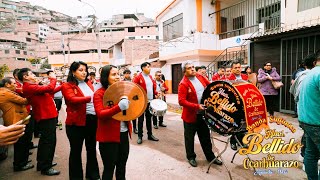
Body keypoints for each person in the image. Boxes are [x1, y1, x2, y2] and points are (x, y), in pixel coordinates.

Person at [178, 61, 222, 167]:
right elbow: (181, 101)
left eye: (193, 67)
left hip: (203, 114)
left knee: (205, 137)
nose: (192, 69)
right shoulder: (183, 84)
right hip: (190, 117)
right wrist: (197, 106)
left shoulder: (200, 77)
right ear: (184, 71)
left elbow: (210, 86)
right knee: (189, 138)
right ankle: (191, 157)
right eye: (189, 68)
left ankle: (210, 156)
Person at [61, 61, 100, 180]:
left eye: (85, 70)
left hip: (91, 121)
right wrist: (91, 97)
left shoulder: (89, 83)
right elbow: (72, 99)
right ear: (73, 72)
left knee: (91, 149)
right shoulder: (67, 85)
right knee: (76, 151)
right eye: (80, 70)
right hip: (76, 124)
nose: (84, 73)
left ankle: (92, 174)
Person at [18, 68, 60, 176]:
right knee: (48, 142)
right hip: (46, 116)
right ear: (25, 77)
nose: (34, 75)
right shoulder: (29, 87)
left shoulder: (31, 86)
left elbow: (49, 91)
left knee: (46, 141)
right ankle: (46, 167)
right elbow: (50, 87)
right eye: (31, 73)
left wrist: (60, 86)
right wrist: (52, 78)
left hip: (47, 115)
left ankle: (43, 164)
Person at [93, 65, 132, 180]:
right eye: (113, 74)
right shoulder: (99, 94)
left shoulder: (123, 91)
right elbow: (100, 114)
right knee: (109, 168)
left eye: (118, 74)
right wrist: (118, 107)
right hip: (108, 138)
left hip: (123, 134)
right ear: (105, 77)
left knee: (122, 166)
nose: (117, 77)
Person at [0, 77, 32, 171]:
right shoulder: (6, 93)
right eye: (13, 83)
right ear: (7, 84)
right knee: (20, 145)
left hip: (16, 119)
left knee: (21, 144)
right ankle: (19, 165)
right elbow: (24, 101)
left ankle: (22, 162)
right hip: (15, 120)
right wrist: (31, 94)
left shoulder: (5, 92)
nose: (15, 85)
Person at [297, 51, 320, 180]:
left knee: (311, 154)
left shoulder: (308, 73)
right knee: (311, 154)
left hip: (307, 120)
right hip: (317, 122)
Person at [133, 62, 159, 144]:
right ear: (143, 68)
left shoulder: (150, 77)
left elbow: (152, 88)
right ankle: (140, 136)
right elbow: (134, 90)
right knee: (140, 120)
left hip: (150, 101)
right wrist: (138, 101)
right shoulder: (138, 78)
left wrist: (156, 93)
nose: (150, 68)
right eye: (148, 67)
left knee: (149, 119)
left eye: (149, 67)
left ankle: (150, 135)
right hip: (141, 102)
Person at [226, 61, 248, 151]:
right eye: (235, 68)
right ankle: (233, 142)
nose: (238, 69)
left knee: (243, 125)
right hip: (233, 105)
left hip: (244, 104)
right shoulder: (228, 79)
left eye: (239, 67)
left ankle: (242, 141)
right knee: (235, 124)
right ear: (232, 69)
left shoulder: (245, 77)